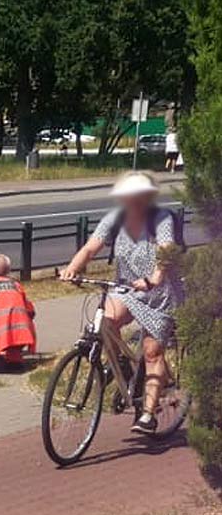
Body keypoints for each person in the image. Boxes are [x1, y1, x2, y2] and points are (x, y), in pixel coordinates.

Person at [60, 172, 184, 435]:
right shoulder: (115, 219)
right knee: (105, 321)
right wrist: (72, 269)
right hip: (127, 287)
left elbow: (166, 250)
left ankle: (148, 414)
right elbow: (90, 248)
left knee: (152, 352)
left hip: (160, 293)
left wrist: (154, 278)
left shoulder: (160, 219)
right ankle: (124, 367)